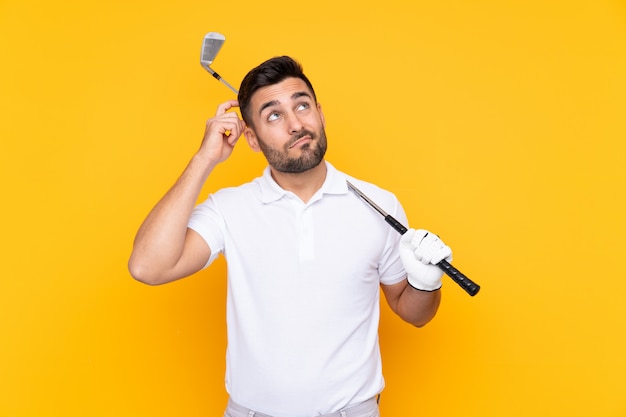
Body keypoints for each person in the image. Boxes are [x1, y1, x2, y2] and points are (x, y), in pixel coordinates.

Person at [128, 56, 452, 417]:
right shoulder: (229, 208)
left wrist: (426, 284)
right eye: (274, 115)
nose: (296, 124)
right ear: (250, 138)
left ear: (320, 113)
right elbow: (147, 266)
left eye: (302, 106)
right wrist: (204, 159)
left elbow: (415, 314)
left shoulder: (379, 204)